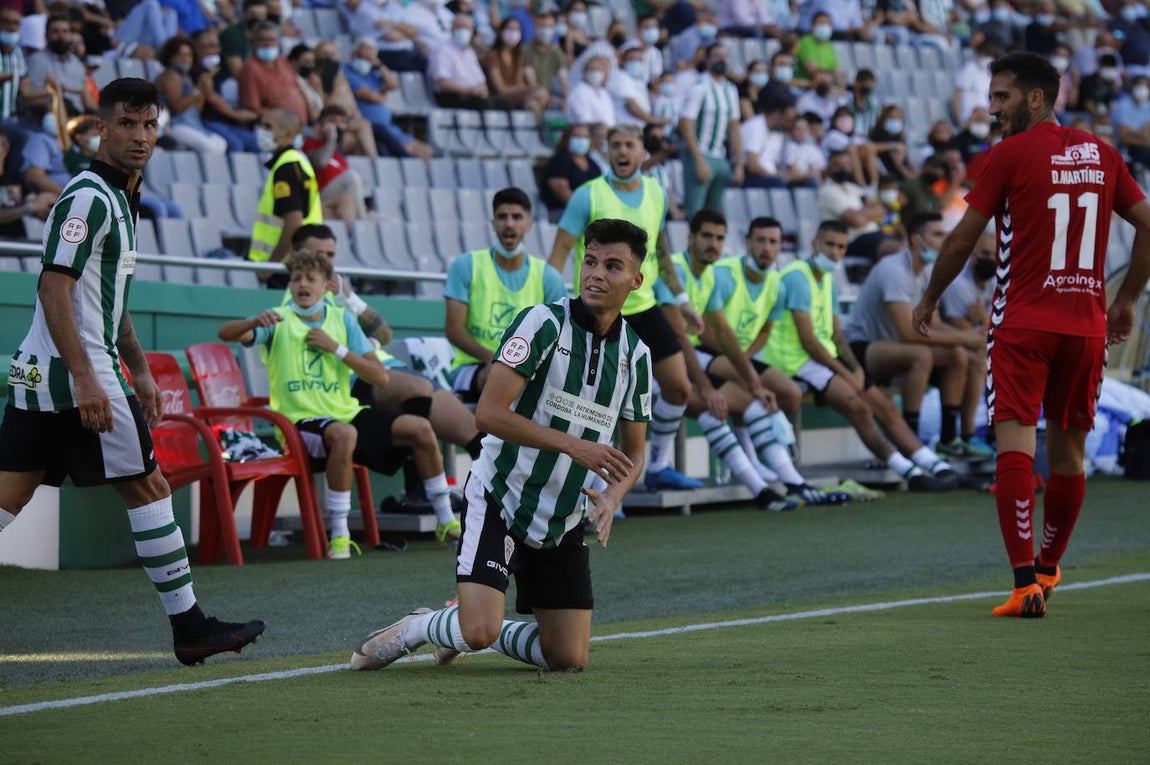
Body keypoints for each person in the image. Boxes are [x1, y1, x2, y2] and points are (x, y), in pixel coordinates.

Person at [0, 78, 265, 666]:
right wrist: (87, 378)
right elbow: (53, 289)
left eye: (149, 125)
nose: (140, 136)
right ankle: (191, 628)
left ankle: (192, 628)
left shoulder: (123, 197)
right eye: (127, 123)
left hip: (41, 376)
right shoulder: (90, 197)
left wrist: (141, 369)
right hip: (77, 374)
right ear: (101, 128)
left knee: (8, 497)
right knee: (150, 487)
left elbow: (107, 298)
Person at [349, 217, 652, 673]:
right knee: (478, 632)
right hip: (501, 495)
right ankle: (419, 627)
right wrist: (574, 446)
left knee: (567, 658)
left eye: (612, 266)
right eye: (590, 261)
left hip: (562, 518)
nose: (596, 274)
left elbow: (635, 452)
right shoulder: (541, 323)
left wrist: (613, 495)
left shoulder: (637, 356)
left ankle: (465, 620)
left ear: (636, 280)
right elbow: (488, 415)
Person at [912, 51, 1150, 618]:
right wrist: (1125, 301)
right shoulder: (1102, 153)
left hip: (1023, 322)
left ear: (1036, 98)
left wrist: (929, 297)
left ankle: (1024, 584)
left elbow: (961, 239)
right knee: (1069, 454)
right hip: (1086, 325)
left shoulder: (1009, 154)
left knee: (1015, 447)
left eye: (1002, 97)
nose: (993, 108)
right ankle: (1048, 567)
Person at [219, 248, 464, 552]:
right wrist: (252, 323)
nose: (302, 284)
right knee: (345, 434)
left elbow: (380, 376)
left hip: (344, 413)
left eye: (310, 279)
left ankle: (445, 521)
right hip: (298, 422)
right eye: (296, 279)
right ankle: (340, 536)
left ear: (326, 286)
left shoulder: (342, 320)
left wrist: (336, 348)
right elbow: (226, 333)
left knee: (420, 428)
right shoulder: (276, 319)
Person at [658, 211, 849, 508]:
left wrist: (752, 382)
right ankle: (759, 485)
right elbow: (684, 337)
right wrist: (709, 387)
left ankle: (789, 482)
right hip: (654, 360)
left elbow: (724, 333)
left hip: (691, 356)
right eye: (707, 236)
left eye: (719, 238)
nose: (713, 244)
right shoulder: (687, 272)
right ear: (690, 237)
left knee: (755, 400)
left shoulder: (711, 275)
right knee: (715, 405)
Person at [549, 123, 703, 491]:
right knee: (593, 402)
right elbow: (559, 252)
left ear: (642, 151)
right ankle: (595, 486)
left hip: (644, 306)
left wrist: (682, 300)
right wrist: (553, 307)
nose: (622, 151)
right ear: (607, 151)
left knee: (679, 388)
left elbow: (661, 252)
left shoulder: (656, 193)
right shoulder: (587, 195)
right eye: (616, 145)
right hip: (597, 311)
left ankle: (658, 465)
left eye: (629, 145)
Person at [762, 220, 958, 492]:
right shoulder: (797, 277)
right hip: (793, 362)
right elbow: (809, 342)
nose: (835, 252)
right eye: (829, 244)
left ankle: (936, 466)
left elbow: (836, 335)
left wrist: (855, 369)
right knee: (859, 408)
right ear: (814, 244)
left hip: (820, 361)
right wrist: (846, 373)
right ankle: (910, 473)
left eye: (841, 247)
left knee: (886, 407)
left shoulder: (827, 280)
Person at [842, 213, 990, 459]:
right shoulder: (893, 269)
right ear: (915, 239)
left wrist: (969, 337)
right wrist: (965, 338)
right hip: (862, 346)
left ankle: (953, 438)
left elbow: (935, 324)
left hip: (895, 346)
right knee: (921, 355)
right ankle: (910, 440)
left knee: (961, 356)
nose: (943, 240)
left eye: (945, 234)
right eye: (937, 234)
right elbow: (908, 333)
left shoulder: (928, 270)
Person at [445, 187, 567, 403]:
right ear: (493, 223)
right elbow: (454, 330)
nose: (509, 224)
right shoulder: (466, 265)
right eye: (502, 217)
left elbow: (561, 336)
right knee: (499, 375)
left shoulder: (548, 277)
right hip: (472, 366)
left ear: (529, 224)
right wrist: (496, 359)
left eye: (517, 217)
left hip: (525, 370)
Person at [247, 107, 323, 289]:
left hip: (286, 267)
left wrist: (271, 266)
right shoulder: (298, 161)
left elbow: (294, 223)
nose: (261, 131)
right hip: (299, 263)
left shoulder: (286, 168)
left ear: (287, 134)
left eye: (268, 126)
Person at [679, 43, 743, 217]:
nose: (721, 59)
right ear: (707, 59)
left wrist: (739, 163)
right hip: (699, 153)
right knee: (695, 212)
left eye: (724, 56)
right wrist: (699, 160)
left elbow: (734, 128)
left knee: (716, 215)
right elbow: (685, 125)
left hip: (720, 156)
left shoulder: (731, 89)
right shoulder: (699, 86)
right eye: (716, 55)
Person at [154, 35, 229, 155]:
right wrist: (197, 91)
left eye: (189, 55)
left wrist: (203, 91)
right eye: (180, 55)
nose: (185, 59)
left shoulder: (186, 77)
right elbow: (177, 109)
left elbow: (196, 110)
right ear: (170, 56)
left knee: (221, 144)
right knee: (210, 148)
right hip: (174, 125)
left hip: (192, 124)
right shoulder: (170, 75)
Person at [302, 105, 368, 228]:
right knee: (351, 178)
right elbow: (321, 162)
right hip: (316, 197)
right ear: (321, 125)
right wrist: (331, 138)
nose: (337, 126)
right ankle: (362, 225)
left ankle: (357, 228)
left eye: (342, 122)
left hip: (335, 203)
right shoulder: (309, 144)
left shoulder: (340, 156)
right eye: (332, 121)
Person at [237, 20, 309, 124]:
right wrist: (284, 121)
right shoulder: (250, 68)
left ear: (278, 42)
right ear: (253, 42)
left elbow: (297, 89)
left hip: (302, 124)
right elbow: (252, 108)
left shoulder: (282, 61)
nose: (268, 44)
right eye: (262, 40)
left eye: (272, 39)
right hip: (279, 128)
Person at [541, 123, 601, 217]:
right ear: (567, 139)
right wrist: (583, 210)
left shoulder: (592, 164)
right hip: (563, 212)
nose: (581, 140)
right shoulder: (560, 160)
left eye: (585, 137)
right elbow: (560, 189)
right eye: (577, 136)